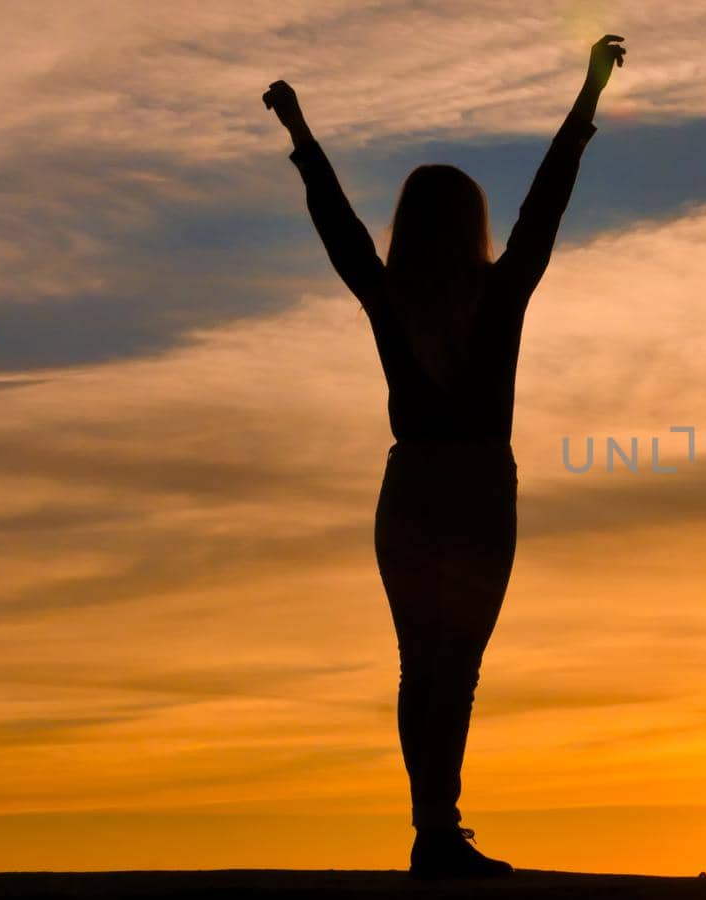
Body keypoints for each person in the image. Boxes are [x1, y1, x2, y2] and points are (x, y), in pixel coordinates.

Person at [264, 34, 627, 879]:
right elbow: (547, 202)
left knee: (419, 664)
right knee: (452, 671)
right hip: (474, 493)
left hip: (411, 490)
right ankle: (437, 832)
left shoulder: (387, 293)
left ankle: (433, 831)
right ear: (472, 225)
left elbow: (339, 226)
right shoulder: (502, 291)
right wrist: (587, 96)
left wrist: (300, 129)